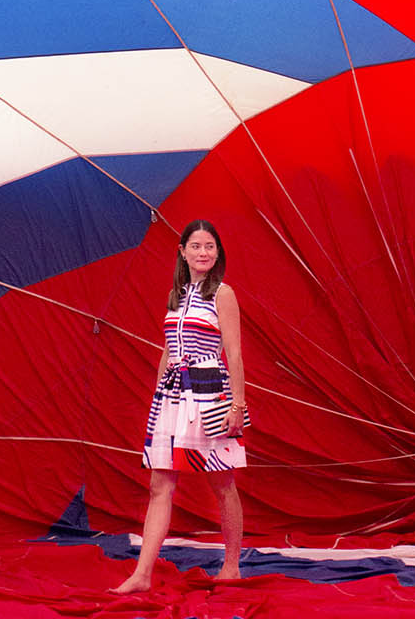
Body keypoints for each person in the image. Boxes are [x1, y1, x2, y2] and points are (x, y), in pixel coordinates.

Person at [112, 219, 247, 593]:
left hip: (209, 391)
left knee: (221, 482)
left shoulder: (222, 293)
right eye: (197, 246)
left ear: (217, 252)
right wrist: (159, 398)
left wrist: (238, 403)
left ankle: (232, 565)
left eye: (210, 246)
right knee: (160, 483)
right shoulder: (178, 295)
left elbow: (233, 353)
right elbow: (169, 349)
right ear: (182, 251)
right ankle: (141, 575)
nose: (203, 253)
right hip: (174, 394)